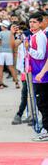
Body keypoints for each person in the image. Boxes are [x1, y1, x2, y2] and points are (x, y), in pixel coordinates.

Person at [27, 13, 48, 141]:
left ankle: (46, 130)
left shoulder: (40, 37)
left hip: (42, 76)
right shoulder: (35, 36)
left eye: (34, 22)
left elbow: (41, 55)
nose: (32, 25)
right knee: (42, 103)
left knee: (43, 104)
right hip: (37, 74)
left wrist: (28, 49)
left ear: (40, 23)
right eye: (30, 22)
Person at [0, 20, 19, 89]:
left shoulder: (1, 33)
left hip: (1, 52)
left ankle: (0, 84)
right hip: (9, 52)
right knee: (11, 68)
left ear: (3, 26)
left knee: (0, 68)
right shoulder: (11, 33)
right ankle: (16, 82)